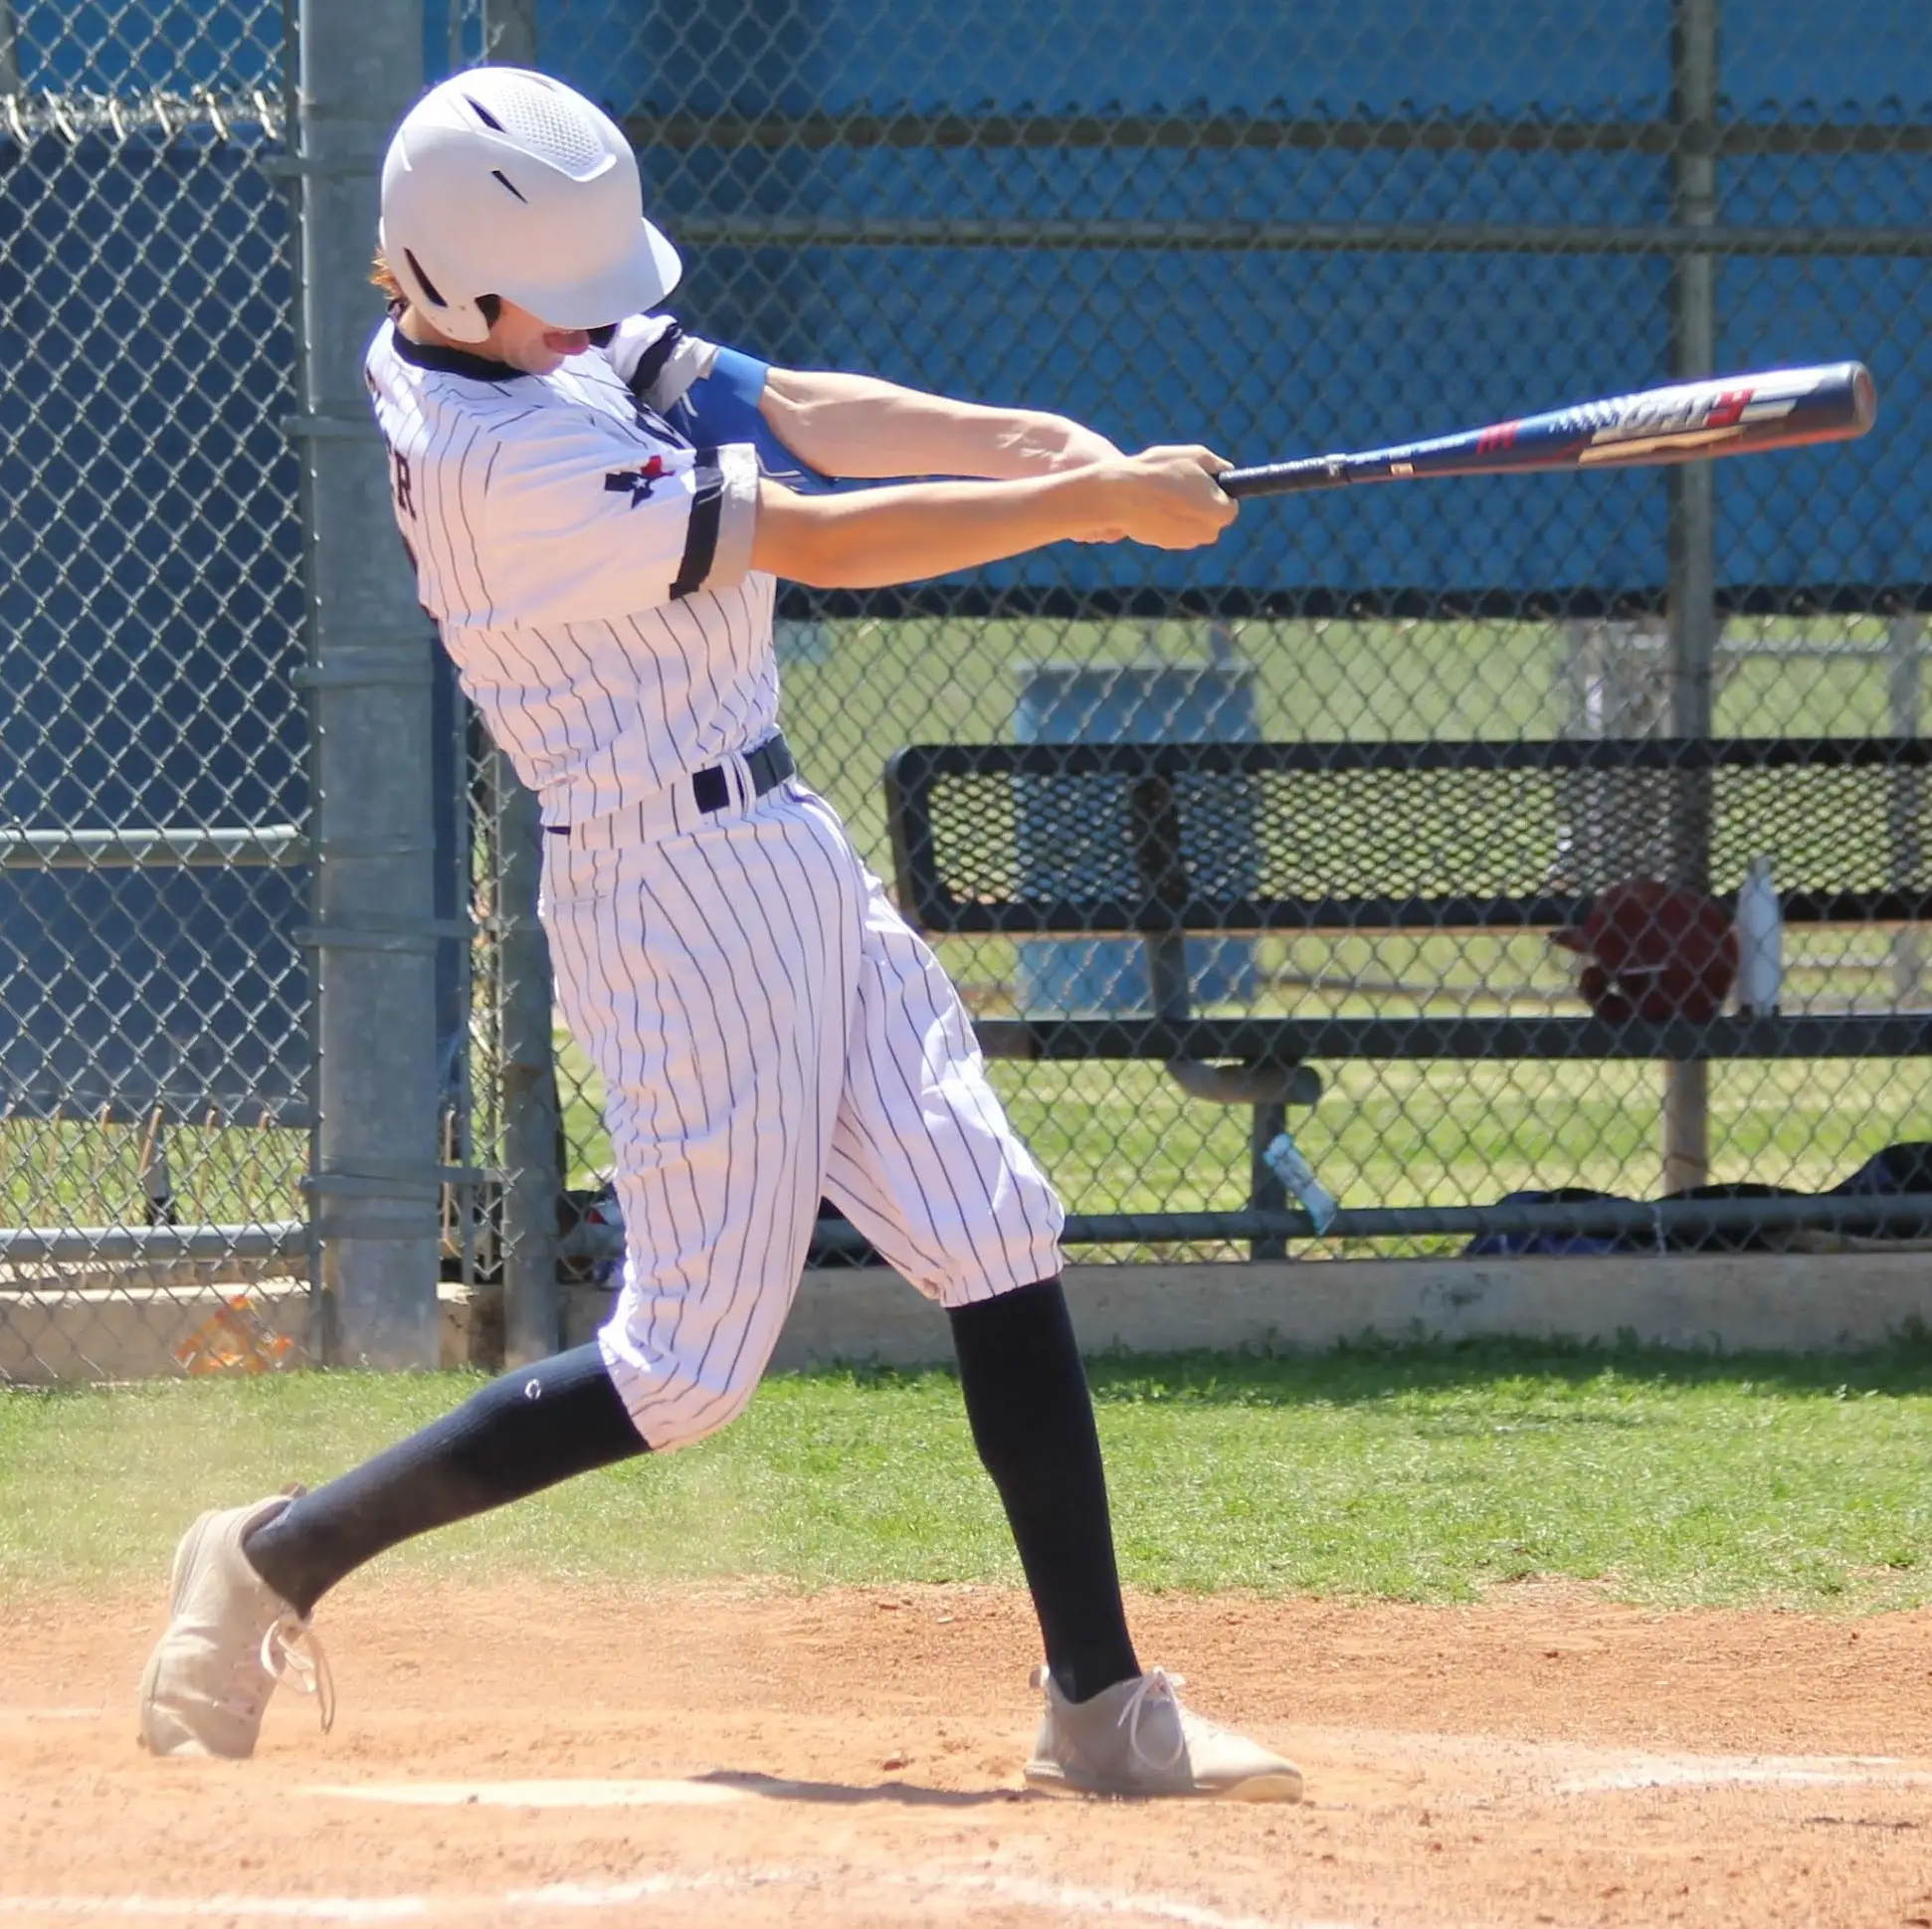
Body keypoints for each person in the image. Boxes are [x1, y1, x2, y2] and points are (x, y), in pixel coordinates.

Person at [136, 66, 1301, 1803]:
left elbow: (797, 407)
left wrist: (1043, 449)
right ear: (451, 276)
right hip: (665, 895)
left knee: (991, 1224)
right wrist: (1085, 508)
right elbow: (811, 533)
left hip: (778, 842)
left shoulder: (516, 331)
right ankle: (269, 1558)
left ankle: (1098, 1699)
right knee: (683, 1370)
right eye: (555, 297)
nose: (587, 320)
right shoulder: (494, 454)